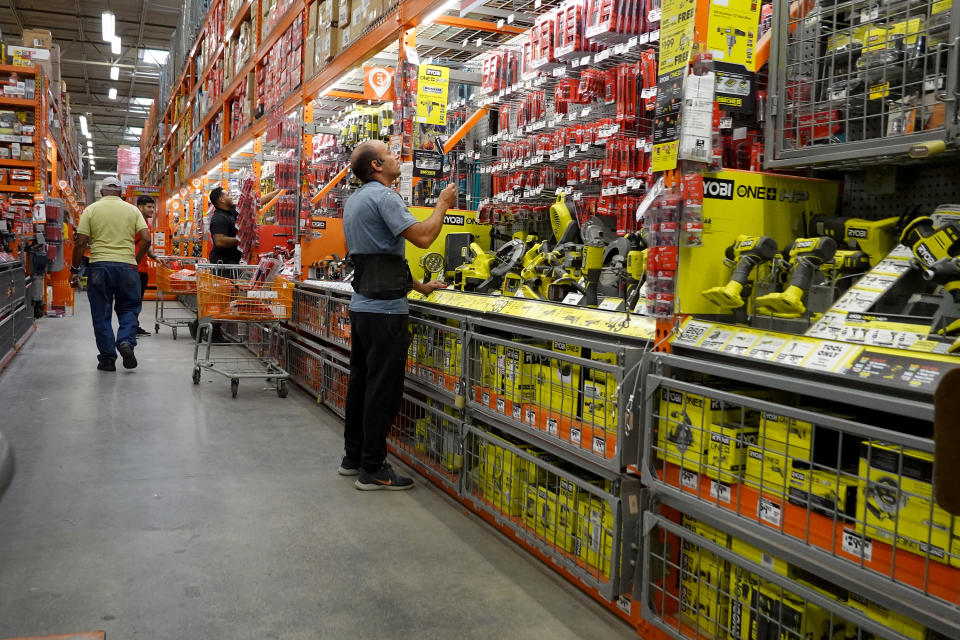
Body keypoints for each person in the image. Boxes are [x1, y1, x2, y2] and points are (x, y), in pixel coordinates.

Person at [340, 139, 456, 491]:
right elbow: (422, 238)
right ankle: (373, 468)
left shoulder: (355, 201)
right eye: (389, 154)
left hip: (362, 308)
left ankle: (354, 456)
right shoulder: (385, 197)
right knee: (382, 391)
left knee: (360, 385)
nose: (396, 157)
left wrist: (419, 287)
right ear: (376, 165)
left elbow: (382, 255)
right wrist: (442, 205)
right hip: (385, 311)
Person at [70, 177, 151, 371]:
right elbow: (146, 239)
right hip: (127, 268)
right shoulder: (132, 210)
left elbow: (81, 242)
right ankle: (125, 341)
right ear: (121, 193)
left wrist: (74, 270)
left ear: (101, 192)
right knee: (129, 309)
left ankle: (107, 359)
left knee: (101, 314)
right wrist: (135, 260)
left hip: (99, 267)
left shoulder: (91, 210)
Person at [188, 187, 242, 341]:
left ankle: (199, 324)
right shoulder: (219, 218)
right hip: (222, 263)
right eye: (227, 194)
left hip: (230, 262)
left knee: (221, 297)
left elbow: (253, 204)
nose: (230, 195)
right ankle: (214, 332)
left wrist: (279, 191)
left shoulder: (231, 211)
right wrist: (240, 240)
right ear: (220, 199)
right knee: (220, 297)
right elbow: (219, 241)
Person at [134, 195, 159, 337]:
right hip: (135, 268)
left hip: (142, 267)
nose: (152, 210)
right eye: (149, 207)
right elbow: (144, 242)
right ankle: (131, 327)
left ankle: (134, 326)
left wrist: (154, 256)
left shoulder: (145, 223)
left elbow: (145, 243)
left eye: (153, 207)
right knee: (134, 300)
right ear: (140, 207)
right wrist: (136, 261)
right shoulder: (135, 221)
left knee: (137, 300)